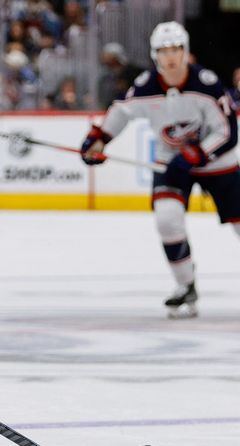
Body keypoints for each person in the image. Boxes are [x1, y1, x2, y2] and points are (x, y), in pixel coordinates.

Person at [80, 22, 240, 318]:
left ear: (186, 51)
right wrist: (98, 139)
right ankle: (186, 286)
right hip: (171, 163)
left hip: (219, 164)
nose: (170, 57)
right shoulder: (145, 86)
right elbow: (121, 111)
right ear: (155, 55)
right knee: (167, 220)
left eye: (176, 49)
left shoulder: (205, 83)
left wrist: (198, 153)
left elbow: (227, 131)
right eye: (163, 51)